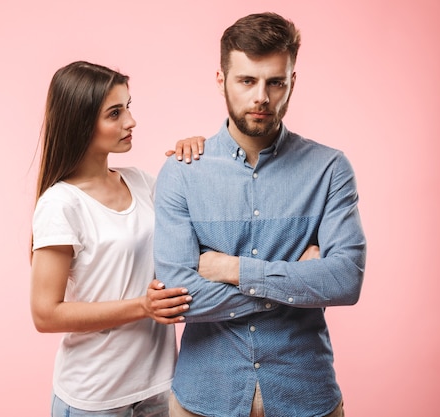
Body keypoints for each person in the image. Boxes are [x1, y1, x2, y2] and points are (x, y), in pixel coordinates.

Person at [153, 12, 367, 417]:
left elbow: (344, 280)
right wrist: (294, 282)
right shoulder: (182, 173)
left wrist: (234, 269)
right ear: (221, 81)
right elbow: (179, 299)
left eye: (275, 82)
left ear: (292, 82)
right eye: (247, 80)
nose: (261, 98)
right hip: (203, 399)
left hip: (306, 396)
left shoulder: (329, 168)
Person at [29, 60, 207, 417]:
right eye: (115, 113)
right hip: (93, 399)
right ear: (81, 123)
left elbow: (203, 235)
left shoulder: (142, 182)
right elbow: (45, 314)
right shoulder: (61, 204)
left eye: (128, 107)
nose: (131, 121)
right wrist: (143, 307)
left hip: (159, 389)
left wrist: (199, 161)